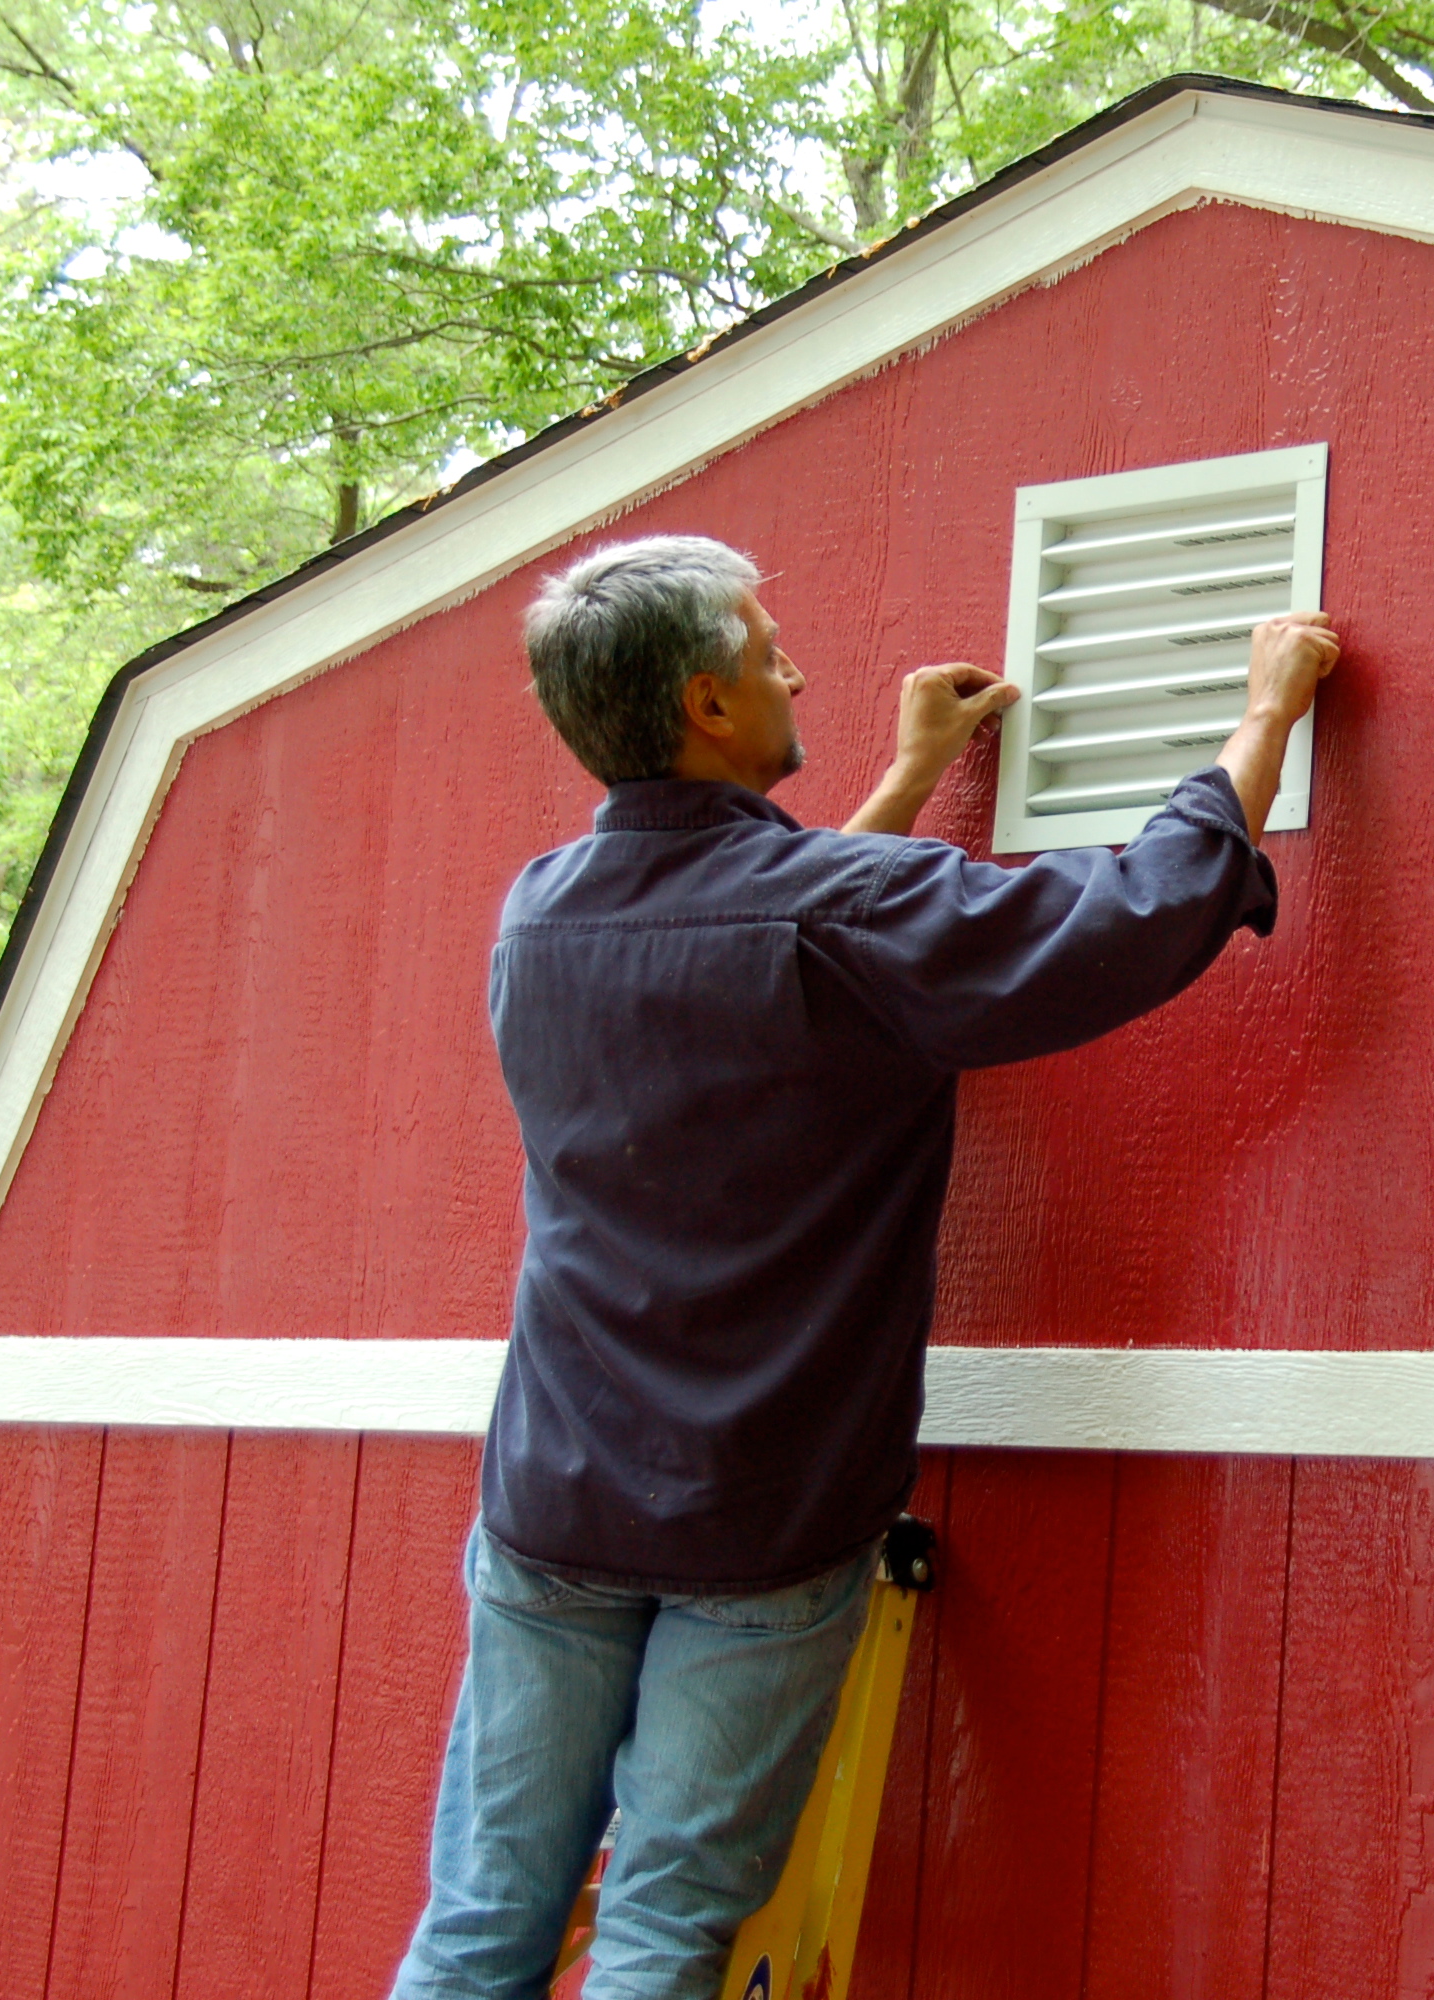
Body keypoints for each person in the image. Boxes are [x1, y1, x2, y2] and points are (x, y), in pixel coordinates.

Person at [389, 534, 1338, 2000]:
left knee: (479, 1922)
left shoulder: (542, 912)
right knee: (662, 1932)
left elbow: (772, 948)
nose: (798, 672)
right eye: (768, 654)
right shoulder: (833, 915)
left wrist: (908, 779)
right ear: (708, 705)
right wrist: (1265, 710)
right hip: (754, 1523)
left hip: (552, 1505)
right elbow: (1134, 914)